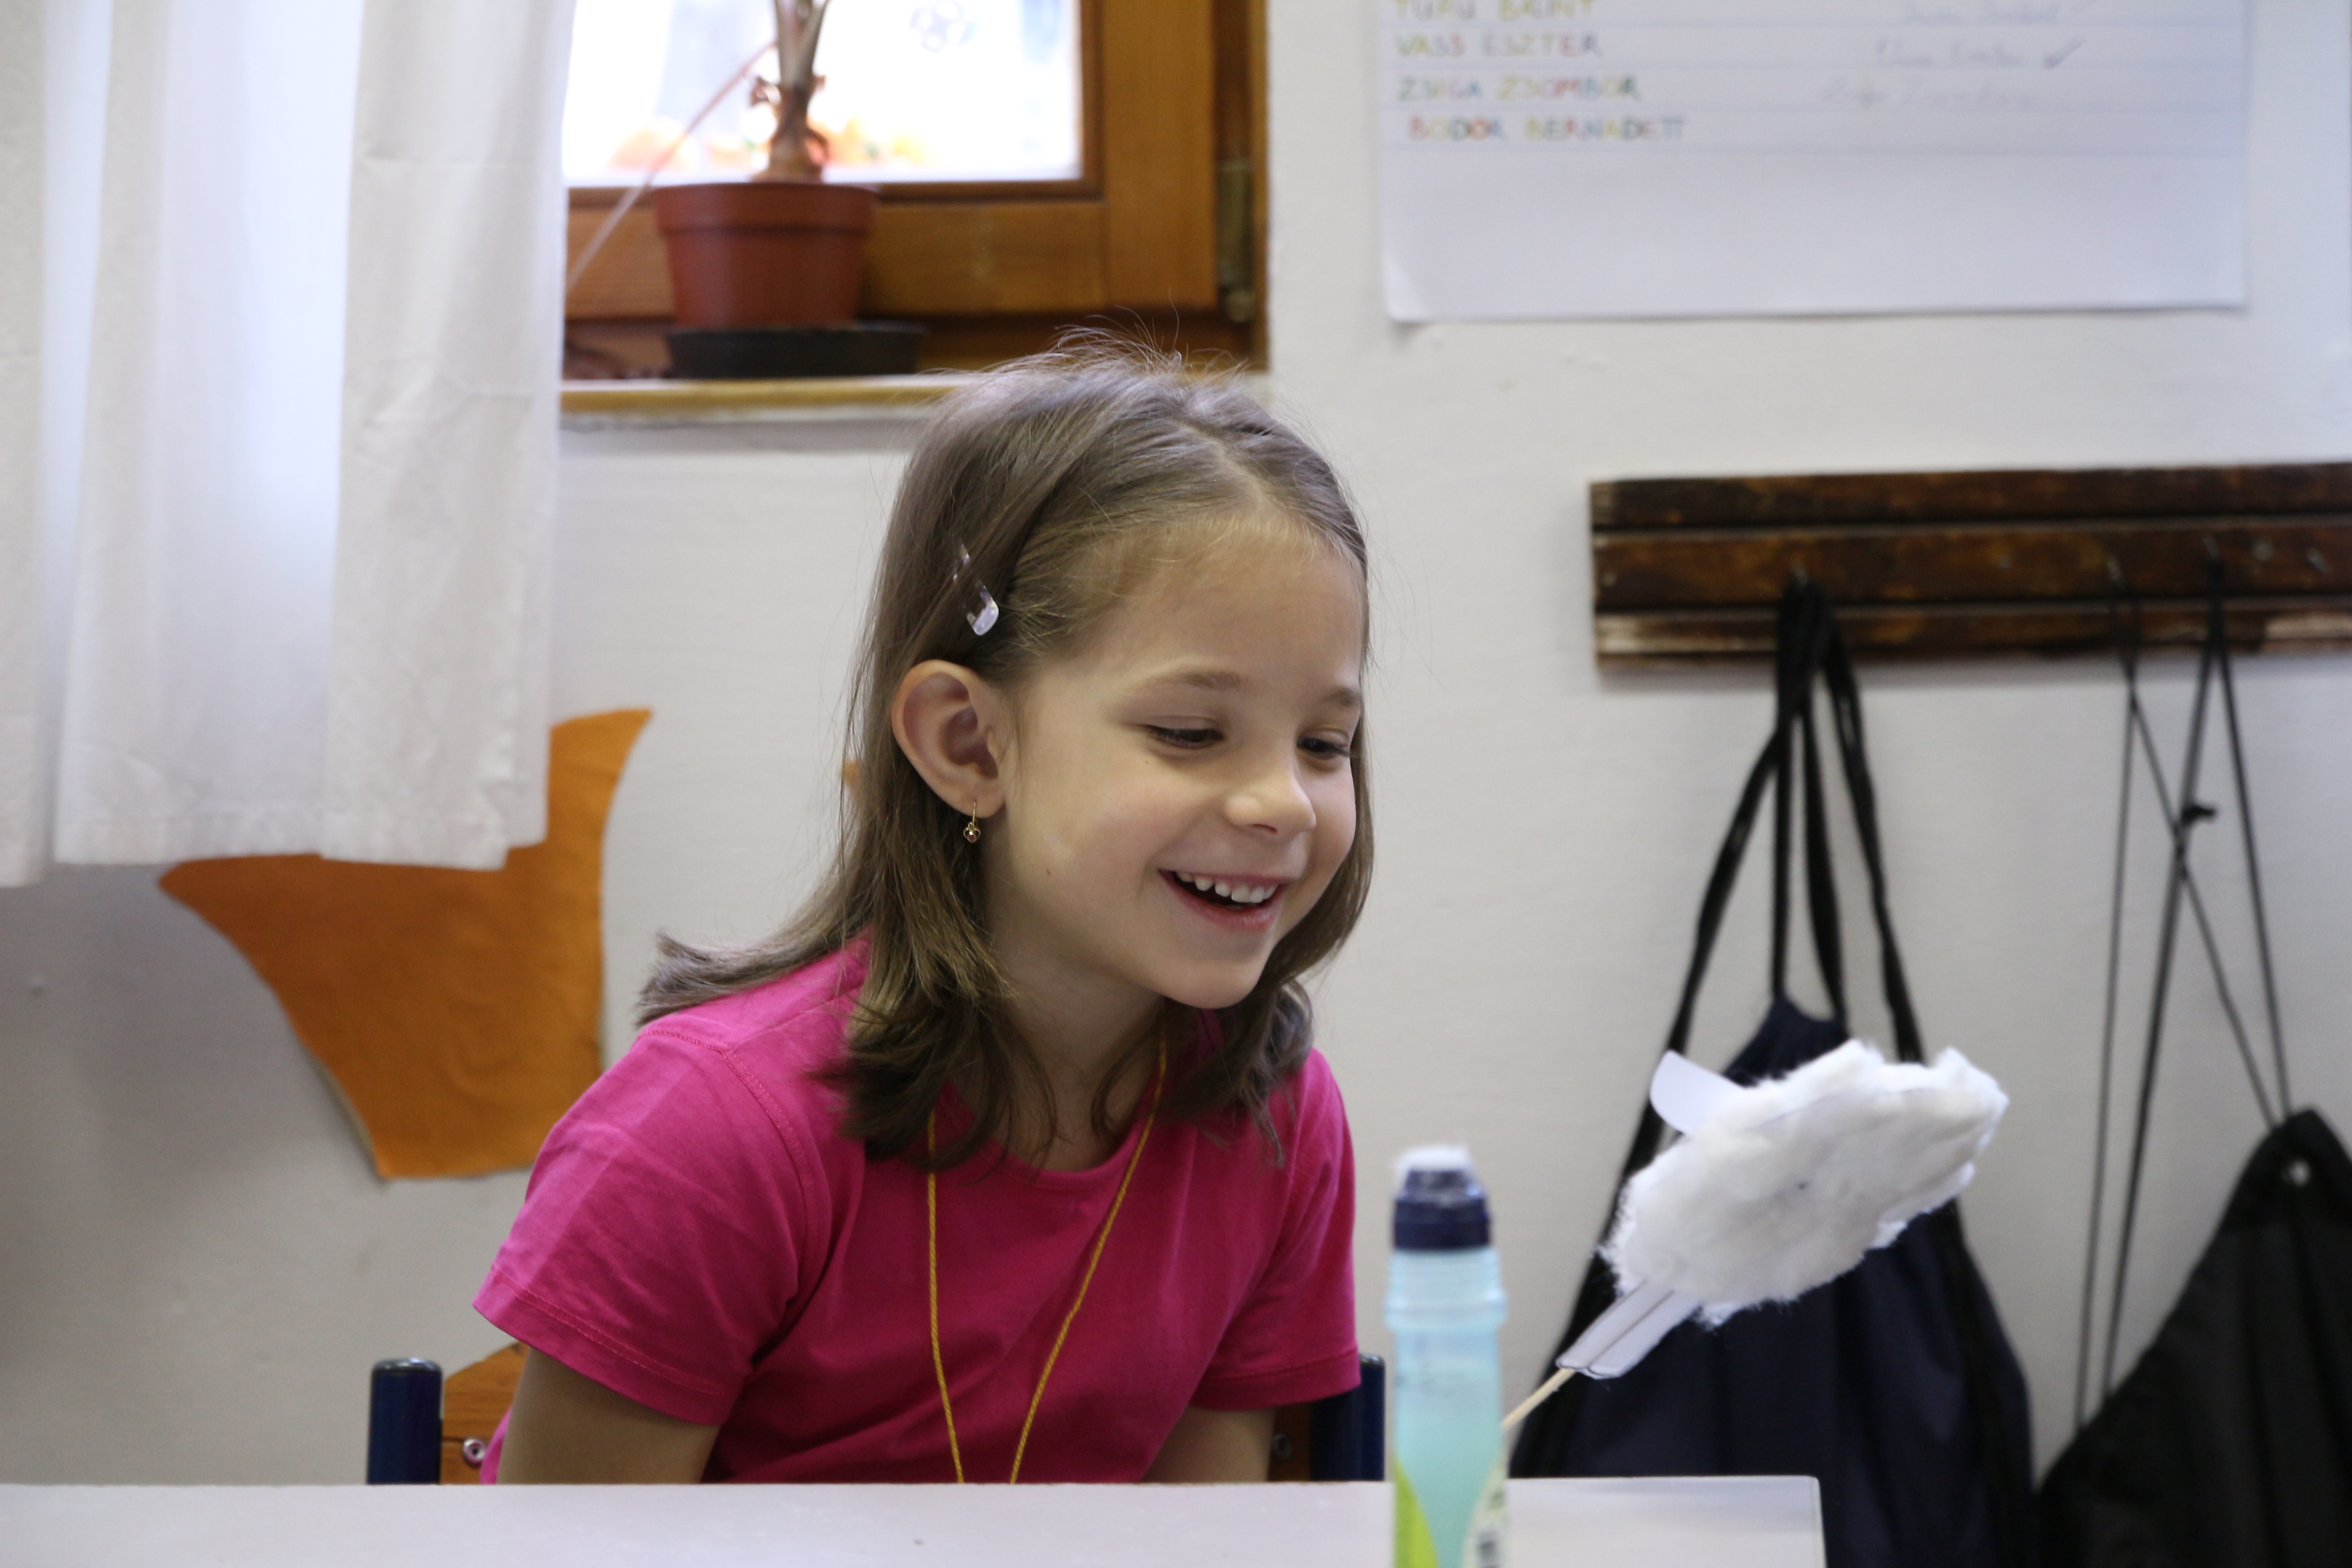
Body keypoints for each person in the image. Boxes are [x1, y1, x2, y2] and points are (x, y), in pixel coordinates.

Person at [477, 344, 1375, 1485]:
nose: (1282, 803)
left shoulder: (1273, 1116)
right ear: (968, 745)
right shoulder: (708, 1135)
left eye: (1325, 743)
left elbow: (1206, 1538)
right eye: (1191, 734)